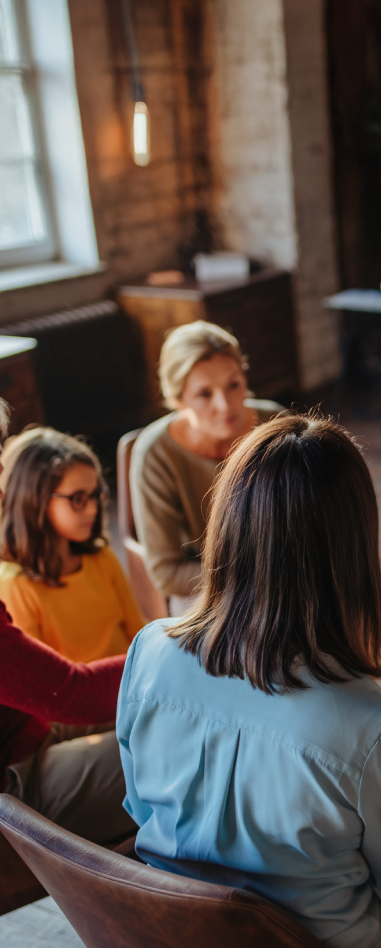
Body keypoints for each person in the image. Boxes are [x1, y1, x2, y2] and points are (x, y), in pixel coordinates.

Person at [118, 414, 381, 948]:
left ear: (228, 527)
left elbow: (140, 808)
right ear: (352, 551)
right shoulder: (377, 731)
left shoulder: (148, 653)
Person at [0, 401, 132, 846]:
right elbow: (68, 692)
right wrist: (182, 651)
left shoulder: (97, 557)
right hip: (11, 786)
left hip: (28, 733)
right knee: (179, 748)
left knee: (171, 722)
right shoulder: (15, 581)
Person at [129, 321, 284, 614]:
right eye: (204, 394)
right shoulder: (155, 454)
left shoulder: (276, 424)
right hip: (205, 582)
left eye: (233, 385)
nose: (225, 406)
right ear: (177, 400)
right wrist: (257, 577)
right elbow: (168, 573)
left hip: (283, 567)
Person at [0, 428, 145, 662]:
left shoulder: (101, 557)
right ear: (34, 501)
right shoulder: (15, 587)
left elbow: (138, 633)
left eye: (95, 495)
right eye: (77, 498)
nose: (93, 509)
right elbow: (42, 679)